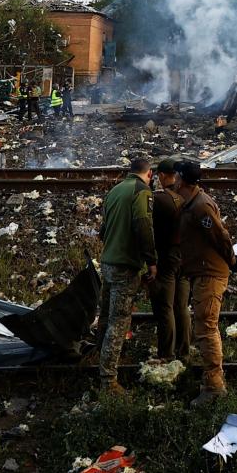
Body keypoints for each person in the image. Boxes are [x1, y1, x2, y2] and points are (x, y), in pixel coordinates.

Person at [175, 160, 237, 407]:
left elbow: (220, 236)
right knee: (204, 325)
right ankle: (211, 379)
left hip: (210, 274)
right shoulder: (192, 203)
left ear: (181, 179)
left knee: (206, 327)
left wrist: (231, 259)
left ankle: (214, 386)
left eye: (176, 177)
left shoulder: (201, 207)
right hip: (201, 272)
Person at [97, 157, 157, 394]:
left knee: (105, 316)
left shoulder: (114, 190)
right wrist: (152, 261)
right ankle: (108, 380)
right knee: (118, 321)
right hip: (125, 265)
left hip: (108, 261)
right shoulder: (141, 192)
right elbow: (143, 225)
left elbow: (103, 230)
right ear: (149, 174)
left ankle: (97, 359)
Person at [150, 159, 190, 361]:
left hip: (167, 256)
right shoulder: (185, 196)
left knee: (165, 306)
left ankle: (166, 353)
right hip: (185, 256)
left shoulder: (159, 199)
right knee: (181, 306)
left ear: (163, 175)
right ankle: (184, 351)